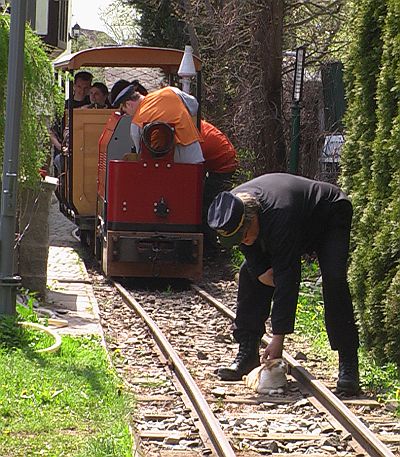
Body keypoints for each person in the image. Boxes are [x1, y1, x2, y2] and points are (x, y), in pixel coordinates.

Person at [207, 173, 360, 395]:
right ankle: (247, 350)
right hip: (291, 219)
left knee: (334, 280)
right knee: (250, 273)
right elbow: (249, 249)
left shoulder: (280, 215)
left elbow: (287, 277)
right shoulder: (231, 206)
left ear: (253, 218)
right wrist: (259, 271)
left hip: (329, 214)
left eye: (244, 235)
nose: (242, 242)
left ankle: (348, 362)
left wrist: (278, 338)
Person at [112, 84, 204, 164]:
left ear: (129, 104)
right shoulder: (170, 91)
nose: (126, 115)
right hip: (193, 155)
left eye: (125, 111)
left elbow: (142, 156)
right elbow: (194, 106)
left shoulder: (136, 124)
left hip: (166, 167)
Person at [200, 120, 238, 254]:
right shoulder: (199, 126)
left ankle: (209, 246)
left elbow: (195, 165)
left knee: (207, 205)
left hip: (223, 168)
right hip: (223, 162)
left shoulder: (196, 135)